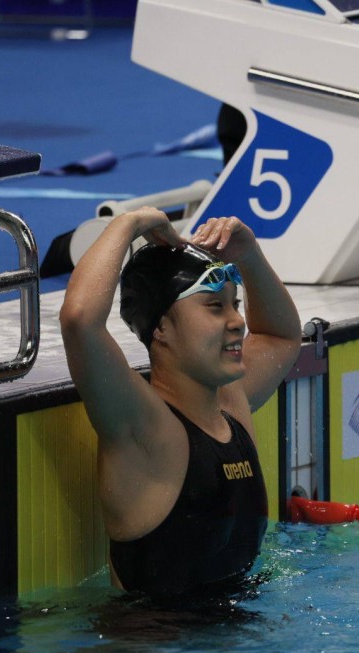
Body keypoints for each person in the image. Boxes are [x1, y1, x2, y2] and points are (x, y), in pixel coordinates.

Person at [59, 208, 301, 600]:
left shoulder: (231, 403)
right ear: (161, 327)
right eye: (214, 306)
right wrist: (128, 223)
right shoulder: (145, 431)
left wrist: (249, 255)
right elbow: (79, 319)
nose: (238, 321)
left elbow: (281, 337)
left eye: (234, 304)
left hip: (234, 642)